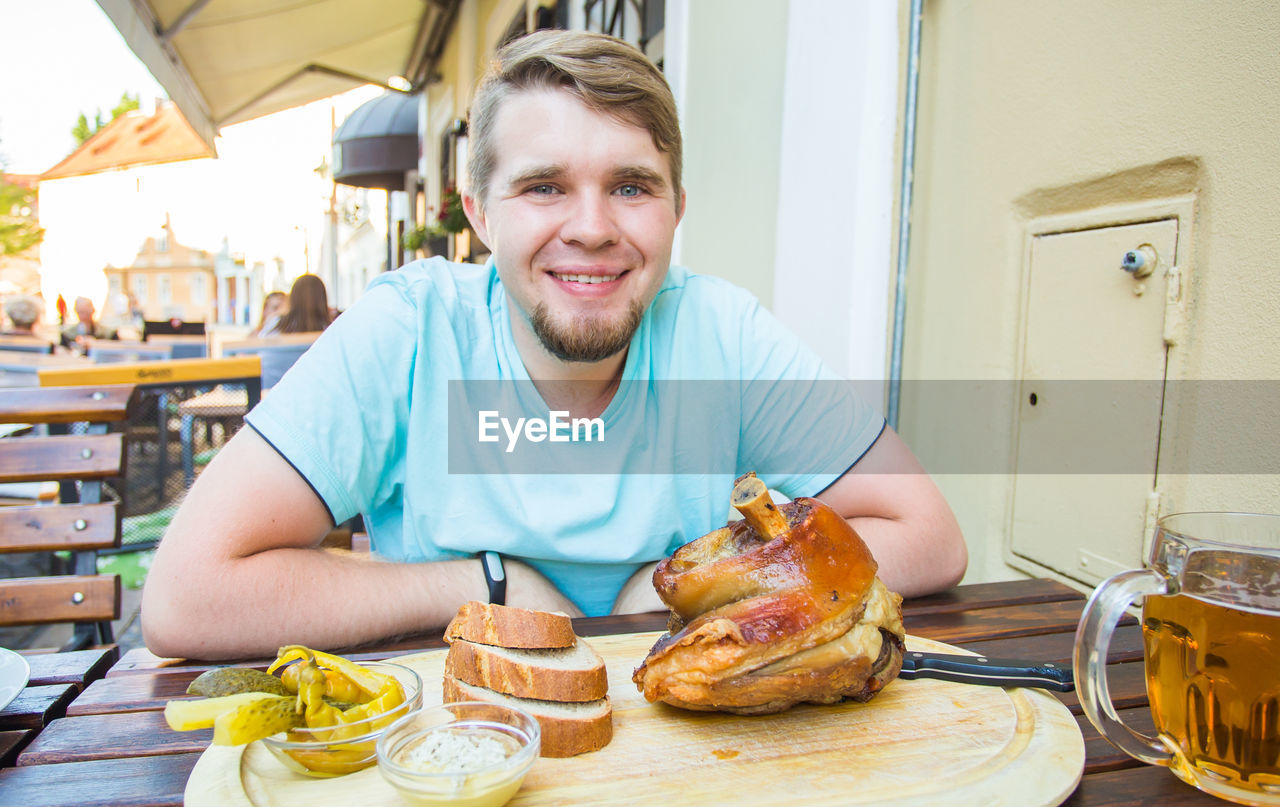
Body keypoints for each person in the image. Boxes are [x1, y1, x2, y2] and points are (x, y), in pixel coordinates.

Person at [142, 31, 966, 660]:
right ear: (479, 213)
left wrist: (699, 588)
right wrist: (490, 586)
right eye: (544, 187)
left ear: (677, 208)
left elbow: (927, 533)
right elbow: (185, 594)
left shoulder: (722, 333)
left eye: (631, 187)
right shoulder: (409, 332)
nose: (592, 228)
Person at [263, 274, 330, 335]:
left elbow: (261, 343)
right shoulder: (330, 330)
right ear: (322, 299)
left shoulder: (276, 325)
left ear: (293, 297)